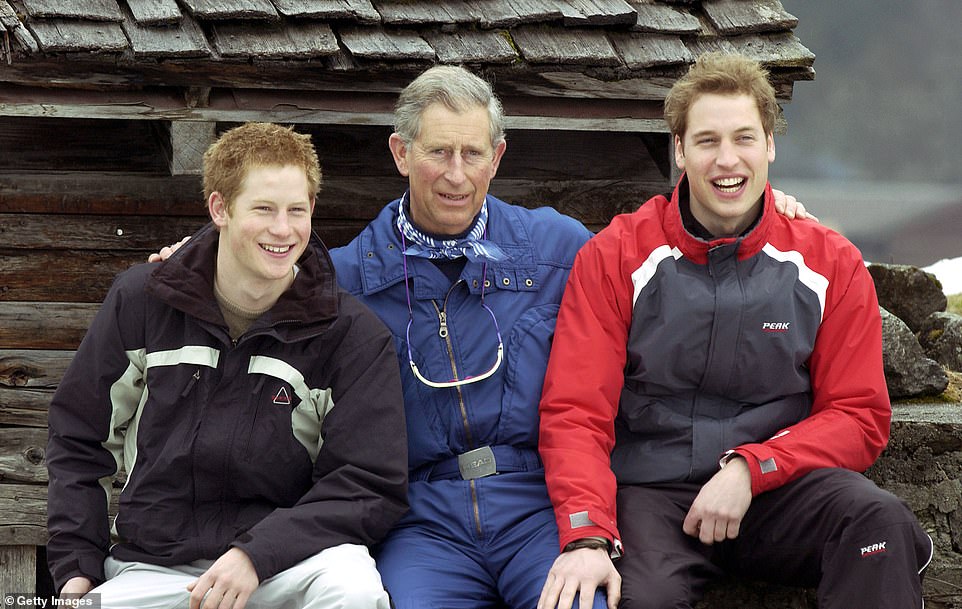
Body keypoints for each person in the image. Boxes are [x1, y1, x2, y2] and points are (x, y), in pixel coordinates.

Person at [150, 66, 811, 609]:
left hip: (538, 502)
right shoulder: (345, 276)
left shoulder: (559, 247)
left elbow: (667, 235)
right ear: (401, 153)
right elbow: (261, 272)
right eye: (438, 152)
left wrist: (769, 214)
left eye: (473, 153)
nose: (456, 174)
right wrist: (206, 253)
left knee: (582, 603)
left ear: (498, 156)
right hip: (420, 516)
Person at [537, 52, 933, 609]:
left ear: (770, 144)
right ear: (679, 150)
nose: (728, 160)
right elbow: (576, 412)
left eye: (744, 138)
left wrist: (754, 466)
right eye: (707, 141)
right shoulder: (616, 256)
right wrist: (587, 532)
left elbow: (858, 415)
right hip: (652, 495)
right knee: (635, 599)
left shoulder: (830, 263)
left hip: (779, 487)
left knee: (878, 524)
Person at [46, 122, 409, 609]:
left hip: (290, 563)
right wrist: (75, 573)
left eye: (296, 210)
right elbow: (78, 438)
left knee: (354, 590)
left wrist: (257, 554)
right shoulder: (142, 302)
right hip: (155, 565)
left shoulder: (351, 335)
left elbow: (367, 483)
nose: (283, 230)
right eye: (263, 209)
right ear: (221, 209)